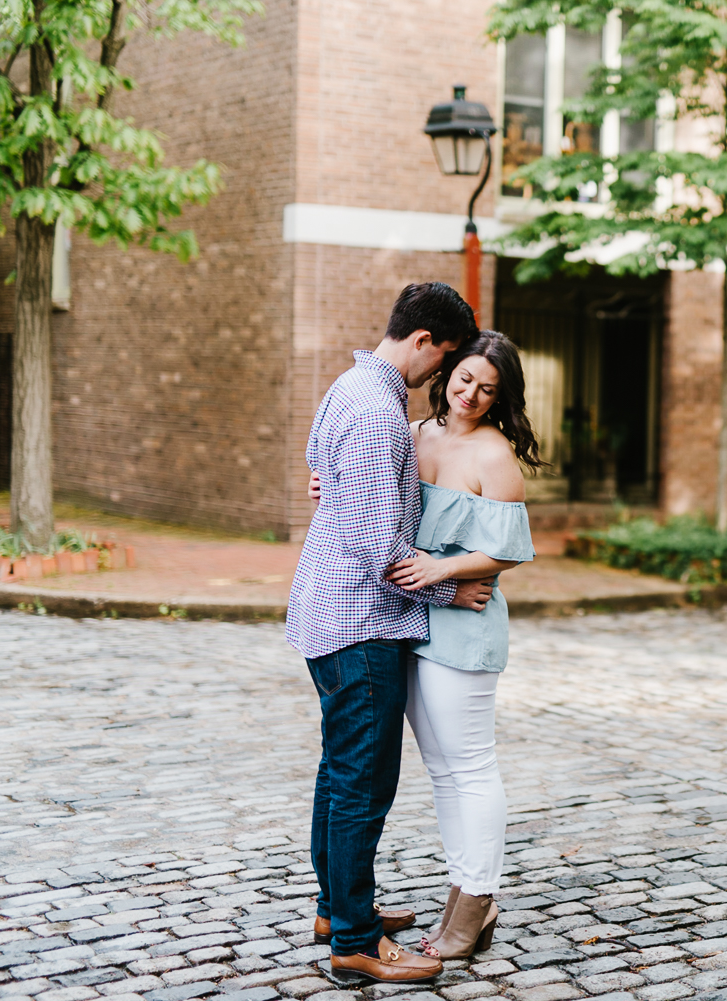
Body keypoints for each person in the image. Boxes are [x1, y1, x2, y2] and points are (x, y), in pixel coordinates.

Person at [286, 282, 489, 985]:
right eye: (445, 359)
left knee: (337, 770)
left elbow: (319, 466)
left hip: (330, 612)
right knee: (361, 783)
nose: (441, 375)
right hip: (360, 623)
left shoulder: (349, 386)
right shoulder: (377, 412)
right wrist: (453, 582)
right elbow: (381, 546)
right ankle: (355, 942)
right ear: (425, 340)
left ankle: (337, 905)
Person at [381, 330, 546, 959]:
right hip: (413, 621)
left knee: (471, 768)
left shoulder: (493, 454)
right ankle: (465, 894)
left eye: (488, 388)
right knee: (443, 772)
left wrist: (443, 571)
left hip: (464, 627)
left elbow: (508, 549)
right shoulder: (415, 435)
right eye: (465, 378)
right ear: (447, 372)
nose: (471, 394)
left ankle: (476, 899)